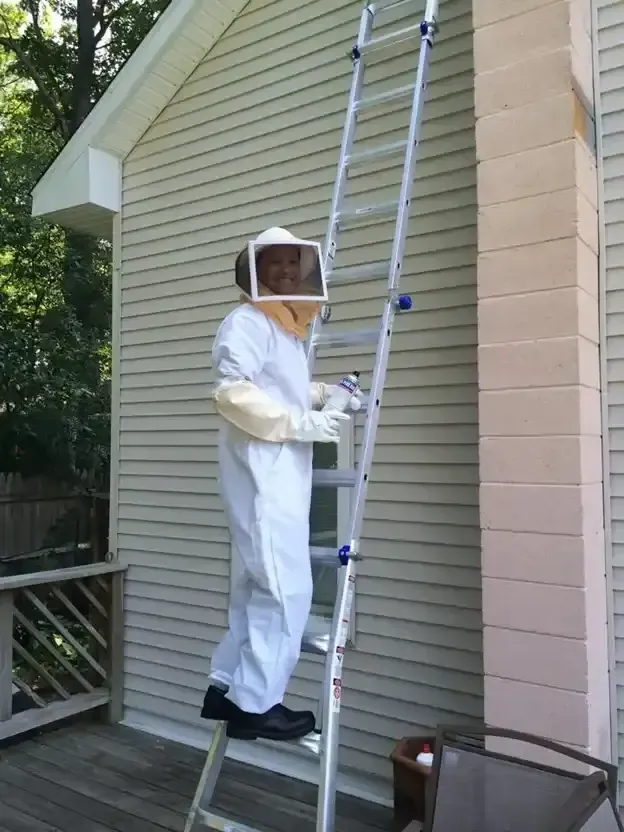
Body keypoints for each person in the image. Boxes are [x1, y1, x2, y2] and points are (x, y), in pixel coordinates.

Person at [200, 227, 362, 742]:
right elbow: (232, 392)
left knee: (254, 588)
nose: (288, 272)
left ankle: (227, 687)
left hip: (276, 478)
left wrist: (325, 393)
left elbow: (283, 387)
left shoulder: (283, 332)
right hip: (263, 477)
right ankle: (257, 705)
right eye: (276, 264)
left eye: (295, 264)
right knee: (285, 590)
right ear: (255, 271)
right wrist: (300, 424)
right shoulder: (247, 321)